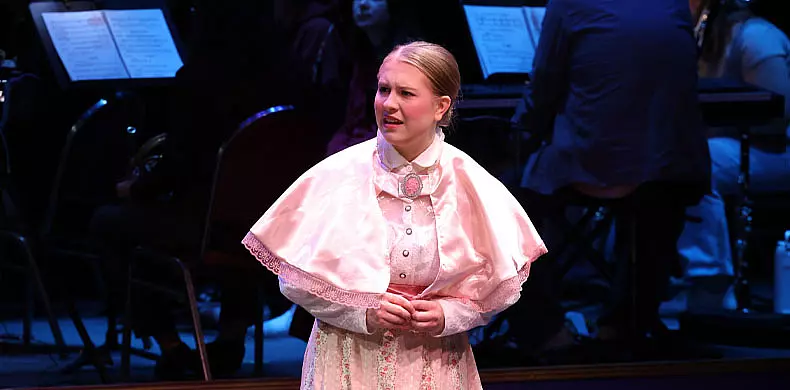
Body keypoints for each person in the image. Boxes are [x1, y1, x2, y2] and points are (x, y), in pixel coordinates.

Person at [242, 41, 547, 389]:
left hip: (433, 363)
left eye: (406, 93)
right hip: (348, 357)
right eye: (384, 89)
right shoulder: (341, 174)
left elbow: (496, 287)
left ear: (440, 106)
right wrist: (364, 310)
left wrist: (450, 314)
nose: (389, 104)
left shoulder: (468, 180)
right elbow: (295, 280)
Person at [513, 0, 710, 357]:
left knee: (504, 196)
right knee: (656, 189)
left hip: (597, 164)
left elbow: (545, 85)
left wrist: (520, 135)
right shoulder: (676, 6)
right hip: (668, 168)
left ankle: (544, 331)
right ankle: (624, 322)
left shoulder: (569, 5)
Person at [677, 0, 790, 310]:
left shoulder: (756, 38)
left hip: (776, 151)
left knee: (696, 159)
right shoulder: (698, 38)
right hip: (736, 145)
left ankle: (709, 277)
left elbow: (778, 119)